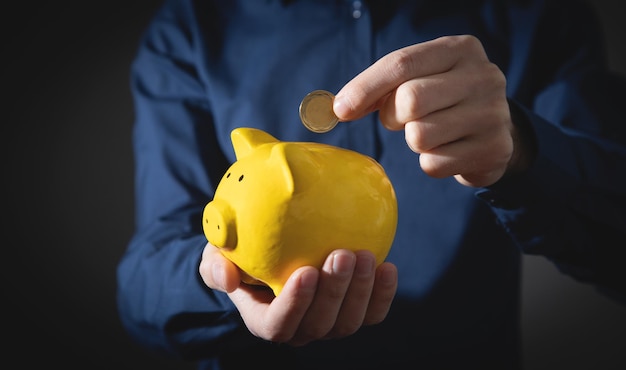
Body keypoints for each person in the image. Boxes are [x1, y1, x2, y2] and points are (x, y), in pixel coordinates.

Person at [116, 0, 626, 368]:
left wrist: (524, 149)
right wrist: (219, 281)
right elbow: (142, 285)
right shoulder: (191, 25)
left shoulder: (538, 15)